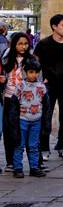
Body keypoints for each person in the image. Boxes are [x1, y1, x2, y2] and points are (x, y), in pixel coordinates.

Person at [35, 13, 63, 162]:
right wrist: (41, 79)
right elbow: (35, 63)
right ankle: (44, 149)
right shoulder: (44, 44)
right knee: (46, 117)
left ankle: (62, 147)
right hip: (49, 85)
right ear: (54, 26)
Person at [1, 31, 32, 171]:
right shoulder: (6, 59)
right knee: (8, 131)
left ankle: (33, 161)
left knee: (26, 131)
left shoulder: (32, 60)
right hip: (9, 98)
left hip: (26, 101)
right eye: (20, 44)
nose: (23, 47)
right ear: (14, 45)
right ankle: (10, 162)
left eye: (25, 44)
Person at [14, 54, 47, 179]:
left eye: (36, 72)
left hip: (36, 120)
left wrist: (45, 120)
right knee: (19, 145)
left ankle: (34, 167)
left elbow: (46, 103)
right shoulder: (20, 86)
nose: (33, 75)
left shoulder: (42, 87)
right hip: (22, 119)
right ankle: (18, 168)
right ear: (25, 72)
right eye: (31, 72)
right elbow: (14, 103)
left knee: (34, 145)